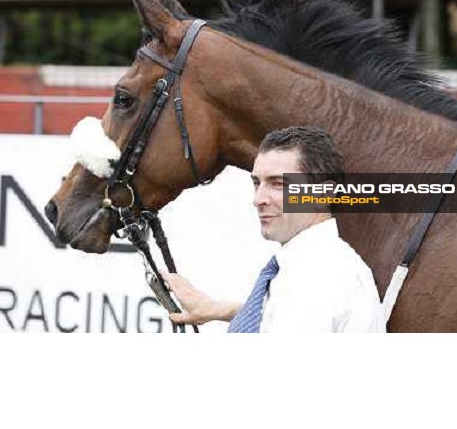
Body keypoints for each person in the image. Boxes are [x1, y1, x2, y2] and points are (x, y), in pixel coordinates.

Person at [162, 126, 385, 333]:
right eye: (257, 183)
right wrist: (220, 309)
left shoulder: (316, 275)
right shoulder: (311, 267)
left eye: (278, 184)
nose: (258, 199)